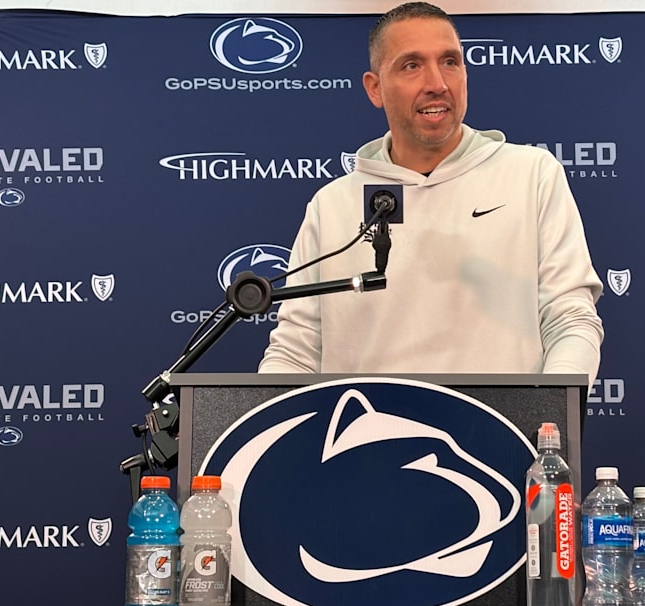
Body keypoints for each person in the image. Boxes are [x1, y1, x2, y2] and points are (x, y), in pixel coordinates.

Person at [258, 1, 603, 377]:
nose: (437, 84)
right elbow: (296, 350)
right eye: (412, 65)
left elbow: (571, 319)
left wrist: (550, 405)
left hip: (499, 418)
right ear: (375, 88)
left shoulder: (532, 175)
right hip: (364, 416)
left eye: (450, 62)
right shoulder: (333, 205)